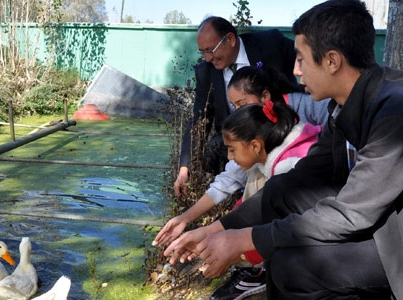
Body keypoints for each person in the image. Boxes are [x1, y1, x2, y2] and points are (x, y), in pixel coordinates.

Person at [164, 0, 403, 299]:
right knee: (279, 192)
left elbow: (351, 213)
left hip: (395, 244)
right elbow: (298, 180)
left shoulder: (393, 111)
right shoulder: (341, 109)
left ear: (331, 61)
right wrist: (215, 229)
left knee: (292, 266)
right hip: (376, 224)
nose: (295, 71)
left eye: (301, 59)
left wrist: (244, 240)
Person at [154, 64, 329, 248]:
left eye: (242, 104)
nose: (238, 111)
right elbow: (230, 179)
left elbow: (269, 216)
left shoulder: (286, 165)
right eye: (234, 106)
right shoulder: (265, 134)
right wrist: (186, 219)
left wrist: (232, 246)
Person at [174, 16, 298, 198]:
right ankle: (233, 195)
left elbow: (309, 58)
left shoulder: (270, 43)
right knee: (214, 148)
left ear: (230, 39)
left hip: (280, 127)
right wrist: (185, 168)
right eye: (203, 52)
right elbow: (199, 118)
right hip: (240, 138)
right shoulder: (205, 71)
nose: (207, 58)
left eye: (210, 50)